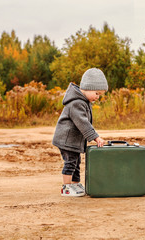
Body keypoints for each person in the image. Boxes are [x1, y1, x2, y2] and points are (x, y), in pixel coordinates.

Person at [52, 68, 108, 197]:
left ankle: (75, 183)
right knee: (71, 162)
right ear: (87, 88)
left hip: (74, 141)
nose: (97, 97)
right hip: (66, 140)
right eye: (97, 93)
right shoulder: (76, 103)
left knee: (76, 162)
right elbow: (83, 123)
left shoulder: (84, 102)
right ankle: (66, 187)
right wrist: (95, 137)